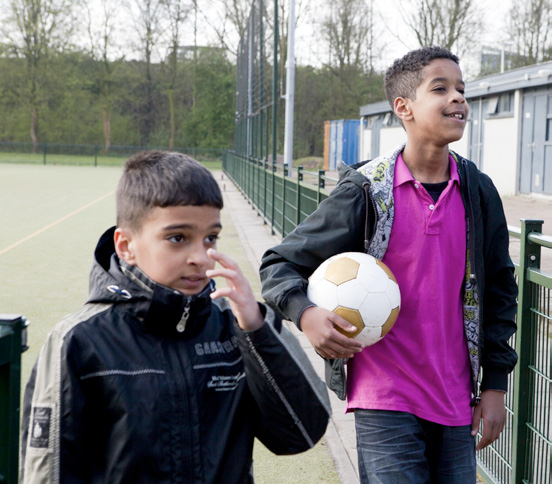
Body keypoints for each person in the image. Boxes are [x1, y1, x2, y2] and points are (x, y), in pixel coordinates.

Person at [260, 46, 517, 483]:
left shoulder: (478, 191)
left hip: (456, 398)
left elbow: (499, 293)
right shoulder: (364, 191)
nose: (458, 98)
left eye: (461, 89)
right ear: (404, 108)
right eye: (441, 88)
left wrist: (494, 385)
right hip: (383, 396)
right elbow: (279, 263)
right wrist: (307, 316)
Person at [20, 150, 330, 484]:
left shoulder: (234, 328)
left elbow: (300, 434)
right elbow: (49, 471)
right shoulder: (79, 341)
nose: (200, 257)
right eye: (177, 238)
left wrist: (256, 329)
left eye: (210, 237)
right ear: (126, 246)